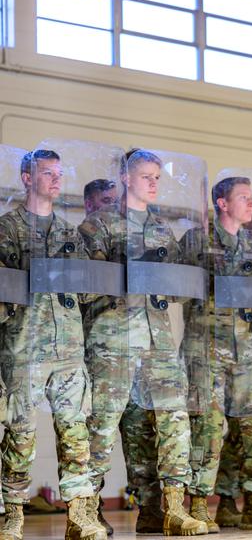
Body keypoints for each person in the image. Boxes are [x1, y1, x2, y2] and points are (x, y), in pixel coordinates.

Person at [80, 149, 208, 536]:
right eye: (147, 176)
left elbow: (174, 288)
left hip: (158, 341)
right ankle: (86, 509)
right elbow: (88, 288)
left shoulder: (162, 229)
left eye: (157, 177)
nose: (154, 183)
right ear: (125, 177)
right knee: (101, 427)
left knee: (173, 421)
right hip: (113, 341)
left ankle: (170, 508)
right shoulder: (96, 226)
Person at [0, 150, 107, 540]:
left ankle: (80, 516)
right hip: (24, 348)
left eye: (60, 173)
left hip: (69, 351)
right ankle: (12, 514)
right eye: (48, 173)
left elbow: (86, 293)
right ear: (27, 178)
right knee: (20, 433)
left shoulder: (69, 234)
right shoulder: (7, 229)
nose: (57, 180)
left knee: (76, 433)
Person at [179, 176, 252, 531]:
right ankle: (198, 503)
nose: (251, 204)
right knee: (209, 427)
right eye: (243, 198)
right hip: (205, 348)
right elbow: (178, 289)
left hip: (242, 350)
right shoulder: (198, 240)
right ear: (222, 204)